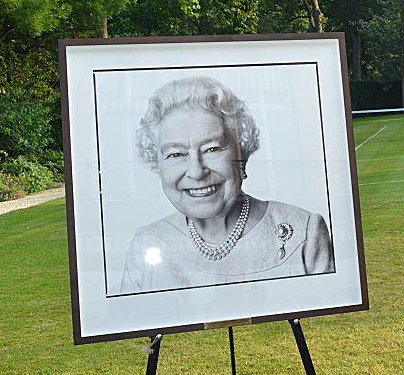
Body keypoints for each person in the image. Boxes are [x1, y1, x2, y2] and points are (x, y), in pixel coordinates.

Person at [120, 76, 334, 294]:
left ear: (241, 152)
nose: (196, 171)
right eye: (176, 154)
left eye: (212, 149)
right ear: (157, 164)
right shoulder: (146, 243)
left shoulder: (304, 231)